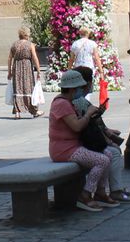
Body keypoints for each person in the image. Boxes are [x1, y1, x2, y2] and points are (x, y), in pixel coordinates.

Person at [49, 69, 115, 211]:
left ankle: (100, 191)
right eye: (80, 87)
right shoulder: (61, 104)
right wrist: (88, 114)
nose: (82, 90)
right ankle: (85, 194)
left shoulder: (70, 102)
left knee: (108, 154)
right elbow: (77, 127)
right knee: (102, 160)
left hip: (74, 145)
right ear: (73, 89)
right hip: (64, 149)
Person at [74, 67, 130, 202]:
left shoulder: (79, 100)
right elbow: (86, 126)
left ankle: (108, 190)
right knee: (113, 152)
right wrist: (107, 139)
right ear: (88, 83)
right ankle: (113, 191)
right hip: (80, 144)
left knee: (111, 151)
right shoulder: (79, 101)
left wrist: (106, 131)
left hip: (83, 140)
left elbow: (92, 125)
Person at [8, 27, 42, 118]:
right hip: (27, 67)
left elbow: (9, 58)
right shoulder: (30, 44)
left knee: (18, 87)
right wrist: (38, 70)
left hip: (17, 67)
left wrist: (9, 71)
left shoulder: (14, 44)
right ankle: (34, 110)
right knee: (28, 87)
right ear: (27, 34)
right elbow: (34, 58)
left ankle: (17, 112)